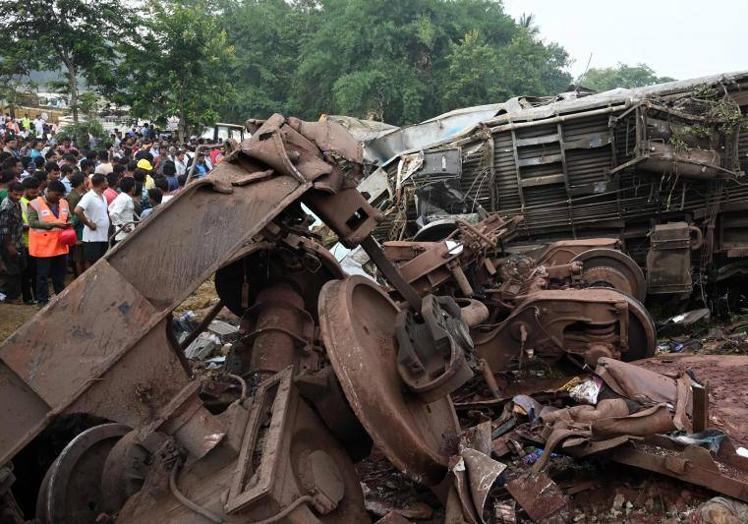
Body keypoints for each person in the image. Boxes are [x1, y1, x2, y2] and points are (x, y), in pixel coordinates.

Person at [28, 180, 70, 306]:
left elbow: (69, 217)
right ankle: (42, 301)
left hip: (61, 245)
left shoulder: (64, 203)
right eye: (57, 195)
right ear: (49, 191)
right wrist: (52, 225)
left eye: (61, 195)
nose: (59, 198)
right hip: (43, 247)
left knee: (59, 276)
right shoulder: (35, 204)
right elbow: (32, 223)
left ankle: (61, 298)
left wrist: (68, 224)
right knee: (42, 277)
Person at [74, 173, 110, 269]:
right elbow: (77, 211)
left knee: (100, 260)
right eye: (106, 181)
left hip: (103, 235)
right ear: (101, 183)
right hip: (92, 236)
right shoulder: (89, 196)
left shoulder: (103, 196)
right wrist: (89, 224)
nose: (107, 182)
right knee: (91, 261)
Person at [0, 182, 25, 303]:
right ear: (9, 191)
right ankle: (11, 297)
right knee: (12, 271)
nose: (18, 197)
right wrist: (9, 246)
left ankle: (14, 293)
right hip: (10, 244)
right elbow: (4, 229)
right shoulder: (6, 207)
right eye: (15, 194)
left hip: (18, 241)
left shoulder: (17, 203)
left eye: (20, 195)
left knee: (19, 268)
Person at [19, 177, 40, 303]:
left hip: (36, 242)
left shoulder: (36, 201)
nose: (35, 195)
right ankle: (27, 297)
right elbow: (19, 224)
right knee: (26, 273)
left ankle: (37, 296)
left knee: (36, 272)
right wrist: (34, 225)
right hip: (24, 242)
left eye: (37, 192)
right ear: (25, 190)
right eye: (33, 192)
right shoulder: (20, 203)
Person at [65, 173, 87, 277]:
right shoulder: (73, 197)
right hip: (78, 231)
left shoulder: (78, 195)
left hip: (81, 229)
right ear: (81, 183)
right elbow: (73, 217)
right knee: (79, 258)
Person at [108, 177, 137, 245]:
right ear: (132, 188)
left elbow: (110, 208)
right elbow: (113, 213)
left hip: (127, 232)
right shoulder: (124, 198)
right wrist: (123, 227)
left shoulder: (122, 197)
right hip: (124, 234)